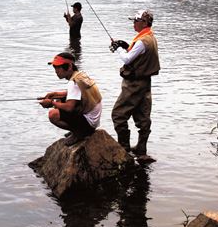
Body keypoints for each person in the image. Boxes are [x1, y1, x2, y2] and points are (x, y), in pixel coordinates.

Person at [109, 10, 160, 156]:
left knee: (118, 115)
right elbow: (138, 54)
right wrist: (126, 46)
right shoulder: (150, 36)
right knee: (142, 116)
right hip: (145, 83)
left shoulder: (142, 41)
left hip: (133, 84)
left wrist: (119, 49)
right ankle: (141, 149)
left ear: (144, 23)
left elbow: (127, 59)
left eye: (135, 21)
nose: (133, 23)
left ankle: (124, 149)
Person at [39, 52, 103, 146]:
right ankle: (77, 129)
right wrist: (55, 94)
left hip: (89, 123)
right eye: (54, 67)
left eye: (58, 67)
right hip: (93, 120)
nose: (56, 71)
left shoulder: (73, 82)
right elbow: (77, 93)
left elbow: (69, 108)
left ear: (69, 66)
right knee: (59, 100)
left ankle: (79, 133)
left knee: (53, 114)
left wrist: (51, 103)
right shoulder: (80, 75)